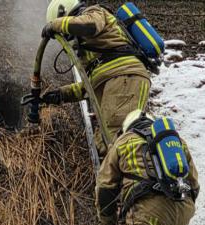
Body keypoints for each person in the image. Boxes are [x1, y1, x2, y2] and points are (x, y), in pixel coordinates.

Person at [39, 0, 153, 155]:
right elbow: (90, 86)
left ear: (66, 14)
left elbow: (89, 25)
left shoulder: (95, 12)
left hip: (124, 77)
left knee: (117, 138)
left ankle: (140, 171)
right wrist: (61, 94)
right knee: (104, 142)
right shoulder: (95, 53)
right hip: (118, 80)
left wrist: (55, 25)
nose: (68, 38)